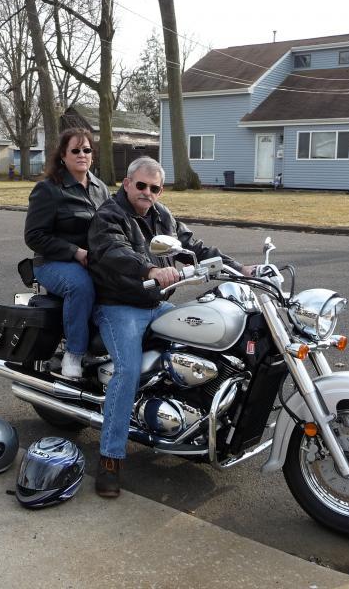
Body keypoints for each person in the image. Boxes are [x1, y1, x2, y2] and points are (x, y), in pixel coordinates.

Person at [87, 156, 256, 497]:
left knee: (200, 342)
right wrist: (150, 270)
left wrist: (239, 268)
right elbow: (113, 251)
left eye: (155, 187)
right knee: (128, 370)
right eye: (141, 185)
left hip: (156, 303)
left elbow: (192, 246)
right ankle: (109, 460)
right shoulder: (109, 215)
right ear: (126, 182)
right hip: (118, 306)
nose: (148, 192)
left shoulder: (162, 215)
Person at [24, 128, 110, 378]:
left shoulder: (100, 188)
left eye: (87, 150)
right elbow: (34, 237)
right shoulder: (48, 189)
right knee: (80, 286)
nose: (82, 154)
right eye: (75, 150)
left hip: (92, 260)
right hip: (52, 262)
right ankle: (74, 353)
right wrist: (75, 252)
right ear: (63, 155)